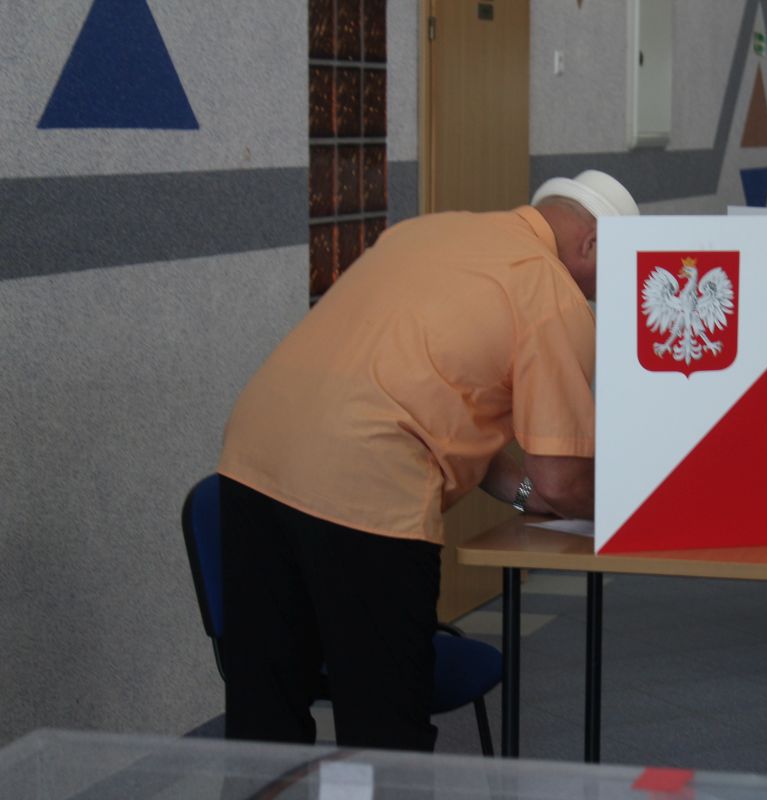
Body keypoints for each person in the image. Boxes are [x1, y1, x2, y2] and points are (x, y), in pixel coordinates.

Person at [215, 170, 638, 751]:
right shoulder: (551, 292)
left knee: (264, 719)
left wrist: (528, 496)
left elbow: (442, 404)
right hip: (363, 490)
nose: (599, 296)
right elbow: (563, 480)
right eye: (612, 276)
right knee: (384, 730)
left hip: (252, 461)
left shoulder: (429, 232)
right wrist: (627, 505)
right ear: (591, 244)